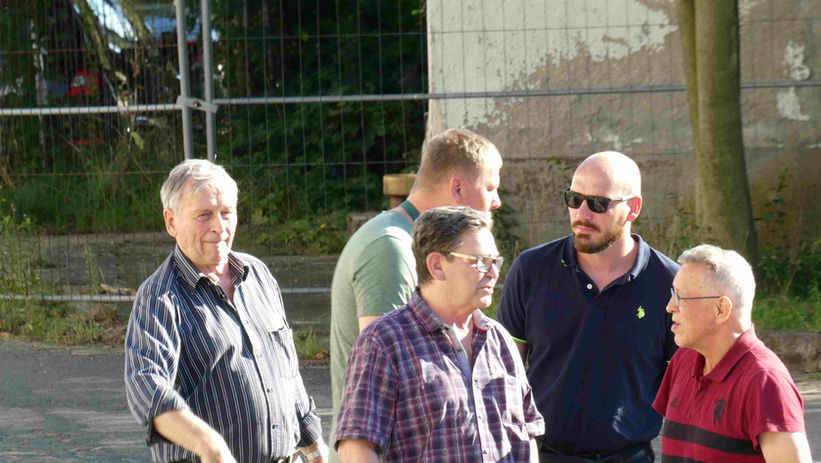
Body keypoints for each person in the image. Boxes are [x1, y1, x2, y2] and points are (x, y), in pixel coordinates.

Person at [124, 159, 327, 463]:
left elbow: (286, 369)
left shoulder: (257, 275)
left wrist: (314, 446)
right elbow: (147, 387)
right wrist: (210, 446)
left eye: (227, 212)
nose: (219, 226)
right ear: (171, 222)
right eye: (204, 215)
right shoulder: (159, 297)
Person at [328, 128, 504, 460]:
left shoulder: (401, 239)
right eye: (490, 188)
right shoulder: (392, 247)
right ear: (457, 187)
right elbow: (390, 364)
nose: (496, 202)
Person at [496, 151, 679, 462]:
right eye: (574, 199)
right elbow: (502, 374)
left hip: (629, 457)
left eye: (598, 203)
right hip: (543, 454)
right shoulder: (531, 270)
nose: (582, 213)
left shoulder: (669, 283)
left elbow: (685, 392)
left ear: (633, 208)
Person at [334, 206, 544, 462]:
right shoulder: (384, 342)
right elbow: (356, 447)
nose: (493, 272)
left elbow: (528, 431)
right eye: (481, 261)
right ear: (436, 265)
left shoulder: (499, 339)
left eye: (495, 261)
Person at [653, 244, 812, 462]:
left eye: (681, 297)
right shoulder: (683, 360)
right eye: (672, 294)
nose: (670, 307)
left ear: (721, 309)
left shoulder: (765, 381)